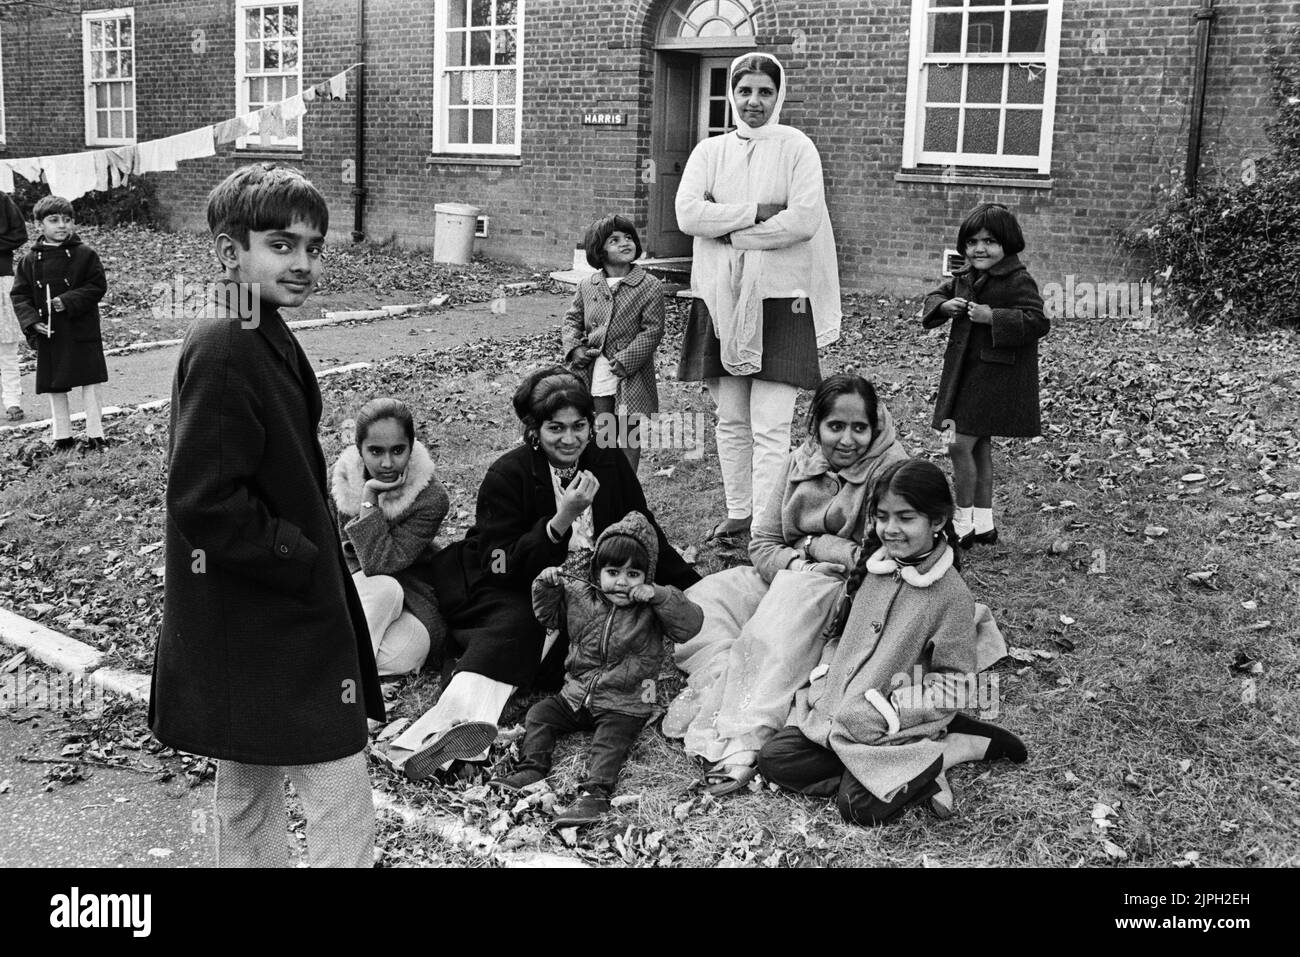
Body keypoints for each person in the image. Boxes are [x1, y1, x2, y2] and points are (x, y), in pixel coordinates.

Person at [150, 164, 384, 868]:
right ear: (229, 253)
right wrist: (296, 554)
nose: (304, 262)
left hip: (267, 616)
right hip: (263, 615)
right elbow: (204, 499)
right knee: (332, 784)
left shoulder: (259, 327)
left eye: (314, 246)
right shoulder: (225, 345)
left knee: (251, 784)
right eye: (282, 245)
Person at [388, 366, 700, 782]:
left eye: (579, 426)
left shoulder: (607, 464)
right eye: (556, 428)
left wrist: (691, 584)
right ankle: (442, 734)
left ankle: (475, 725)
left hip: (588, 588)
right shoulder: (509, 473)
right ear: (534, 430)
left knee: (580, 649)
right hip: (507, 581)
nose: (569, 439)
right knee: (520, 626)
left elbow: (641, 528)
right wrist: (561, 520)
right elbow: (499, 562)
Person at [664, 374, 907, 794]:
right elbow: (762, 544)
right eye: (836, 427)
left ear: (875, 428)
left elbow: (876, 556)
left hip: (848, 590)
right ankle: (728, 675)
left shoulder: (890, 472)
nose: (847, 440)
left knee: (778, 633)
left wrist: (819, 547)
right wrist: (800, 558)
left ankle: (745, 736)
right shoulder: (800, 462)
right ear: (816, 428)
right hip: (792, 571)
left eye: (859, 428)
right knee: (707, 599)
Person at [758, 459, 1027, 826]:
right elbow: (841, 638)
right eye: (882, 516)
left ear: (936, 521)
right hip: (840, 715)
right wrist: (826, 680)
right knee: (775, 757)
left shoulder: (950, 595)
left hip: (893, 723)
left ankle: (947, 750)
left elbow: (957, 685)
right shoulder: (871, 570)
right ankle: (914, 768)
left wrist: (888, 713)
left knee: (857, 807)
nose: (891, 528)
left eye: (906, 517)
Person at [675, 52, 841, 542]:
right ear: (732, 94)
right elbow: (687, 214)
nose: (754, 102)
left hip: (780, 298)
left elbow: (803, 220)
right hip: (720, 298)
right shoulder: (710, 152)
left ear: (778, 94)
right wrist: (757, 210)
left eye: (765, 91)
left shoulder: (796, 147)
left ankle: (767, 524)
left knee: (771, 423)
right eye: (745, 91)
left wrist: (733, 232)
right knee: (731, 418)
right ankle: (738, 510)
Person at [496, 511, 703, 826]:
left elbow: (690, 625)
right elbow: (547, 617)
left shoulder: (652, 608)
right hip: (577, 692)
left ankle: (595, 796)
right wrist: (546, 584)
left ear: (646, 577)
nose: (622, 581)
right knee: (539, 715)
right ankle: (531, 768)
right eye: (613, 571)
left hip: (626, 700)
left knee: (608, 743)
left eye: (634, 574)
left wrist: (659, 595)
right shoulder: (581, 596)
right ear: (597, 571)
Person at [922, 202, 1048, 547]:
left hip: (993, 380)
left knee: (959, 445)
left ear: (1008, 243)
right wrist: (943, 307)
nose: (980, 248)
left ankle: (961, 524)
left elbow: (1037, 321)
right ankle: (984, 524)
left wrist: (994, 317)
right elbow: (938, 294)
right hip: (965, 376)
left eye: (990, 241)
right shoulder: (965, 276)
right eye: (973, 241)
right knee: (978, 450)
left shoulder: (1018, 279)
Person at [332, 397, 449, 677]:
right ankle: (341, 677)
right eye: (375, 451)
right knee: (384, 589)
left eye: (398, 450)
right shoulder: (338, 482)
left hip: (406, 589)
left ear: (412, 446)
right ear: (359, 449)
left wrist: (369, 499)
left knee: (411, 650)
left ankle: (336, 657)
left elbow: (381, 563)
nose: (387, 463)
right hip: (347, 589)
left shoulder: (431, 497)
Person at [563, 214, 665, 473]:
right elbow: (572, 320)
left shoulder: (649, 285)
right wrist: (575, 348)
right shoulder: (588, 285)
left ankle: (628, 483)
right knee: (603, 425)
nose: (624, 243)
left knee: (628, 429)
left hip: (629, 371)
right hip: (598, 368)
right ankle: (607, 480)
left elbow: (652, 329)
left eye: (628, 238)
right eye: (614, 240)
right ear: (600, 250)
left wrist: (628, 359)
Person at [11, 196, 108, 450]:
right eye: (53, 220)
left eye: (67, 220)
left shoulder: (85, 254)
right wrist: (32, 323)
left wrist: (67, 300)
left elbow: (97, 285)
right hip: (50, 331)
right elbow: (20, 295)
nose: (62, 225)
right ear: (39, 225)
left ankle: (96, 434)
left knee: (91, 381)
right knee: (56, 385)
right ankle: (62, 435)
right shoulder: (29, 261)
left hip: (81, 327)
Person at [0, 189, 28, 421]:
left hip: (1, 278)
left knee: (6, 346)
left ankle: (12, 401)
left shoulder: (1, 200)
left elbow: (19, 234)